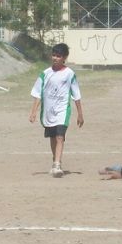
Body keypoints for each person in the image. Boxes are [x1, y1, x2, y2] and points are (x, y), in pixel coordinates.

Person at [29, 43, 84, 178]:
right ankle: (56, 160)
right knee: (53, 137)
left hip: (62, 111)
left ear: (64, 57)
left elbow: (76, 94)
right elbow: (37, 93)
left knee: (60, 136)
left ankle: (57, 165)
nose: (55, 58)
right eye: (54, 55)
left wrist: (80, 114)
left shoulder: (69, 74)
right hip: (48, 112)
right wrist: (33, 112)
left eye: (58, 56)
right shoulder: (45, 74)